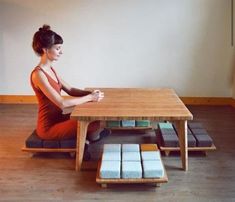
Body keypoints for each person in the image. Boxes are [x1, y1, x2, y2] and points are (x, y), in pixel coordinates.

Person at [30, 25, 109, 150]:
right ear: (45, 50)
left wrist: (90, 93)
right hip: (48, 127)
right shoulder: (38, 74)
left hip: (59, 118)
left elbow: (70, 90)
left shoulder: (50, 69)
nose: (61, 52)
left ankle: (89, 137)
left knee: (94, 118)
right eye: (58, 48)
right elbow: (62, 103)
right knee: (94, 124)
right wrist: (90, 97)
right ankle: (89, 138)